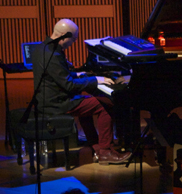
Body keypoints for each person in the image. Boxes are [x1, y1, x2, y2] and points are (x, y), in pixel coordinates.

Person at [30, 19, 130, 164]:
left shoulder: (42, 48)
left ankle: (96, 147)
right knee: (105, 105)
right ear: (65, 35)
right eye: (74, 39)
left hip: (50, 99)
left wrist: (84, 75)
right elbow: (69, 85)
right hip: (56, 104)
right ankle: (106, 152)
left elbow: (58, 76)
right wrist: (96, 79)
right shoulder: (53, 55)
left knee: (87, 103)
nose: (74, 42)